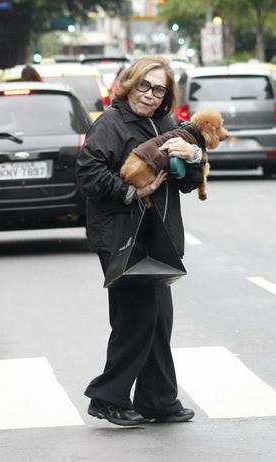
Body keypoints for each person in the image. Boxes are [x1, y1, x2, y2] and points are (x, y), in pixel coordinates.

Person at [77, 56, 206, 426]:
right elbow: (88, 174)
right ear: (129, 83)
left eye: (159, 89)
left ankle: (157, 399)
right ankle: (107, 396)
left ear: (167, 95)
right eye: (144, 86)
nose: (150, 95)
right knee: (137, 316)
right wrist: (131, 192)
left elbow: (185, 182)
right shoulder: (111, 124)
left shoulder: (166, 124)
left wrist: (193, 156)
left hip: (156, 236)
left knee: (159, 317)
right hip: (121, 236)